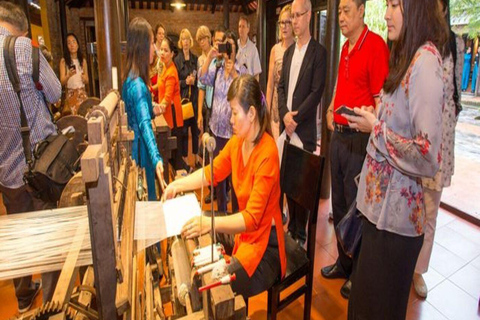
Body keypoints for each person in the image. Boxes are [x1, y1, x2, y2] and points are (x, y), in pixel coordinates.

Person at [344, 0, 448, 318]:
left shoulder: (426, 63)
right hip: (380, 217)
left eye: (393, 5)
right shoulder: (409, 56)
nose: (386, 14)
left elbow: (427, 155)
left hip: (397, 226)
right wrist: (375, 118)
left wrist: (376, 129)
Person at [163, 74, 286, 300]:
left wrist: (208, 224)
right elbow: (211, 173)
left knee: (214, 290)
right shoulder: (238, 143)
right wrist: (176, 185)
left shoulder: (267, 153)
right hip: (246, 234)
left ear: (251, 113)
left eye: (234, 112)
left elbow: (251, 219)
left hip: (265, 246)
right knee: (193, 225)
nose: (230, 119)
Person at [320, 0, 390, 299]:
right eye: (340, 12)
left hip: (359, 141)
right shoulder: (346, 47)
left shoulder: (374, 46)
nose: (342, 17)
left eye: (347, 10)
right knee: (338, 206)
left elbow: (382, 101)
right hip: (338, 137)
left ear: (362, 10)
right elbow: (341, 84)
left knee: (356, 208)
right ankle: (344, 263)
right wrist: (332, 106)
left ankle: (358, 273)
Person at [0, 1, 62, 312]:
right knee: (50, 236)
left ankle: (24, 298)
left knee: (19, 235)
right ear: (21, 30)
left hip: (6, 171)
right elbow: (55, 92)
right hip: (39, 166)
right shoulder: (24, 50)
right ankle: (51, 302)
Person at [412, 0, 464, 299]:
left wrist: (443, 127)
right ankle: (405, 261)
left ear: (443, 7)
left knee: (430, 212)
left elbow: (456, 97)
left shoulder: (455, 45)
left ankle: (418, 270)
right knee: (411, 207)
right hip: (417, 143)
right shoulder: (419, 42)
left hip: (441, 146)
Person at [277, 0, 326, 247]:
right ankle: (291, 231)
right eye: (292, 16)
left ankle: (301, 235)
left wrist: (294, 118)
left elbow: (317, 92)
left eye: (298, 16)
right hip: (286, 127)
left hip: (303, 129)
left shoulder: (319, 53)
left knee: (302, 185)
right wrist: (284, 114)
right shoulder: (287, 53)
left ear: (309, 16)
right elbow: (281, 87)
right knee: (288, 180)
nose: (294, 21)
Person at [199, 26, 246, 213]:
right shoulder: (217, 69)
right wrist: (210, 57)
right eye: (226, 45)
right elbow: (202, 77)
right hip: (216, 131)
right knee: (217, 175)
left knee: (234, 179)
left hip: (232, 134)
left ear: (235, 49)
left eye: (231, 45)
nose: (228, 49)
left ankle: (235, 214)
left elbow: (245, 94)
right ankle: (221, 212)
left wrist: (234, 74)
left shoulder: (241, 70)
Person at [122, 17, 165, 201]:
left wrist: (151, 108)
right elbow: (145, 125)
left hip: (135, 148)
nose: (154, 49)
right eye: (152, 42)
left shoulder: (131, 77)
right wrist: (156, 159)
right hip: (141, 152)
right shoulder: (138, 85)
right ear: (141, 46)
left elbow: (138, 111)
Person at [157, 37, 186, 171]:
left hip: (173, 115)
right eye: (161, 49)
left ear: (172, 54)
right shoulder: (165, 67)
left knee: (175, 154)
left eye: (166, 50)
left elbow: (167, 98)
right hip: (168, 113)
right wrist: (151, 88)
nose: (162, 53)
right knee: (173, 154)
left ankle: (185, 175)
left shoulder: (172, 72)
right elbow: (160, 85)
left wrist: (156, 109)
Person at [266, 4, 294, 140]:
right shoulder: (275, 50)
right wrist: (266, 110)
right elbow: (270, 84)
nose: (284, 26)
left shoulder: (298, 49)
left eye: (288, 22)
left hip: (292, 108)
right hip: (276, 110)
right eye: (281, 22)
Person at [175, 28, 199, 168]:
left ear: (190, 42)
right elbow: (176, 82)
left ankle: (195, 157)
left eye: (187, 39)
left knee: (195, 130)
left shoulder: (195, 58)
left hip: (194, 99)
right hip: (183, 101)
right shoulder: (177, 60)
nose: (185, 42)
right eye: (183, 39)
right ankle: (184, 159)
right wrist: (185, 82)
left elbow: (197, 75)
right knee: (183, 132)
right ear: (181, 42)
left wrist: (193, 79)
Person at [59, 32, 89, 116]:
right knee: (74, 120)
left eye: (74, 42)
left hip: (82, 94)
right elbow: (61, 82)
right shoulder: (63, 61)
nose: (72, 45)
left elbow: (87, 80)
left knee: (85, 118)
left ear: (78, 45)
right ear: (67, 47)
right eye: (69, 43)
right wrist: (68, 76)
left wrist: (84, 78)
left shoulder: (83, 60)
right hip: (71, 95)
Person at [196, 25, 213, 135]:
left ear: (209, 38)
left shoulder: (217, 55)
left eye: (204, 38)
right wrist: (199, 113)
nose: (202, 42)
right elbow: (201, 87)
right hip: (206, 104)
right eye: (199, 40)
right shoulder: (200, 60)